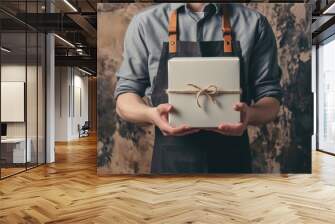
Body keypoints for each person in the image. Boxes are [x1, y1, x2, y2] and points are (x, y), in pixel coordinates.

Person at [115, 3, 282, 173]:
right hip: (170, 164)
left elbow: (271, 99)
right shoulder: (145, 23)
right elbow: (125, 96)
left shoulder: (254, 23)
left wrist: (250, 115)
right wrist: (151, 114)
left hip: (232, 162)